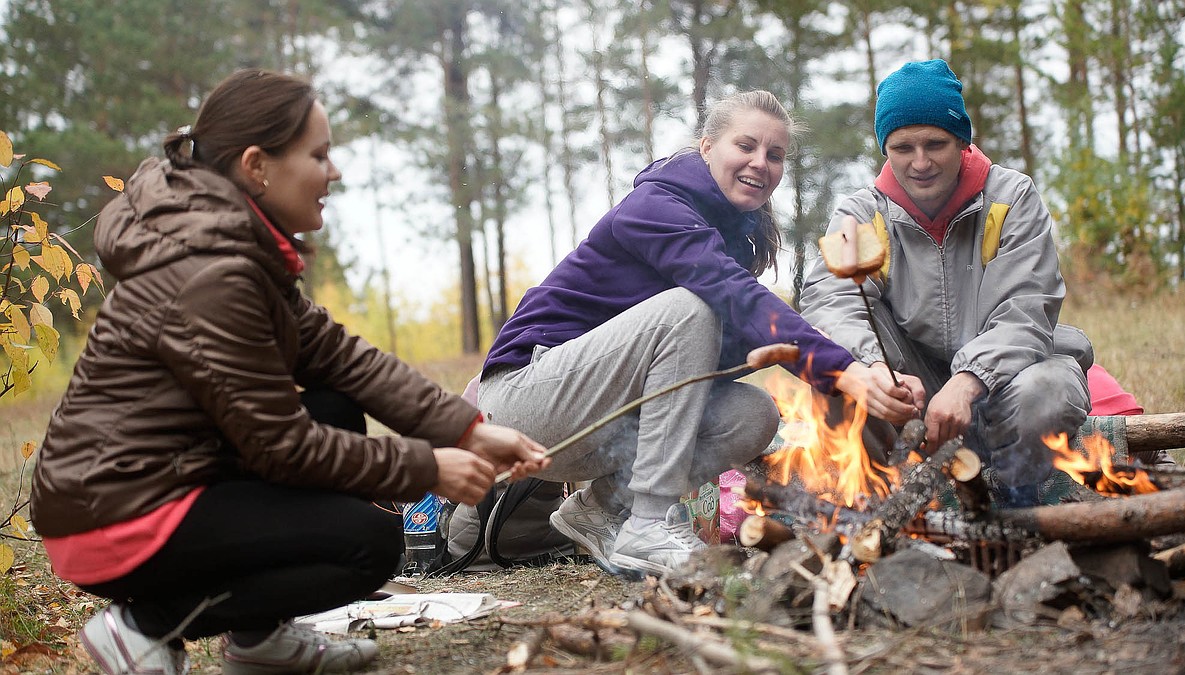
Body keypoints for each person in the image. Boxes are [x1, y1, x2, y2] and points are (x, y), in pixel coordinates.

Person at [29, 69, 548, 675]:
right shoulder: (211, 271)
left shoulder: (231, 243)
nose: (335, 172)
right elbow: (280, 448)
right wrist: (427, 467)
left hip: (157, 479)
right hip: (117, 511)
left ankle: (259, 641)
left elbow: (336, 354)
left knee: (333, 404)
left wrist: (465, 430)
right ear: (257, 165)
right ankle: (143, 627)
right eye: (319, 155)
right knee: (368, 545)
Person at [476, 90, 919, 577]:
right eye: (745, 145)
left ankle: (603, 510)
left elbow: (741, 338)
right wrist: (842, 372)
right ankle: (647, 521)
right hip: (529, 401)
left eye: (775, 154)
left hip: (595, 414)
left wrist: (867, 372)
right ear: (707, 147)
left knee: (752, 414)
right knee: (694, 307)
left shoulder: (730, 231)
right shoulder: (656, 205)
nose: (760, 163)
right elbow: (733, 299)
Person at [799, 59, 1093, 505]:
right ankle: (884, 506)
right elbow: (830, 302)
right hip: (910, 396)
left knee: (1047, 391)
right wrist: (875, 370)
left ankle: (1019, 501)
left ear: (961, 140)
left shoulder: (1011, 198)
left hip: (1003, 383)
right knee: (836, 378)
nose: (920, 163)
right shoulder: (861, 213)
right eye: (902, 147)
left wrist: (970, 379)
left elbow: (1027, 308)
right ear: (885, 148)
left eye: (935, 143)